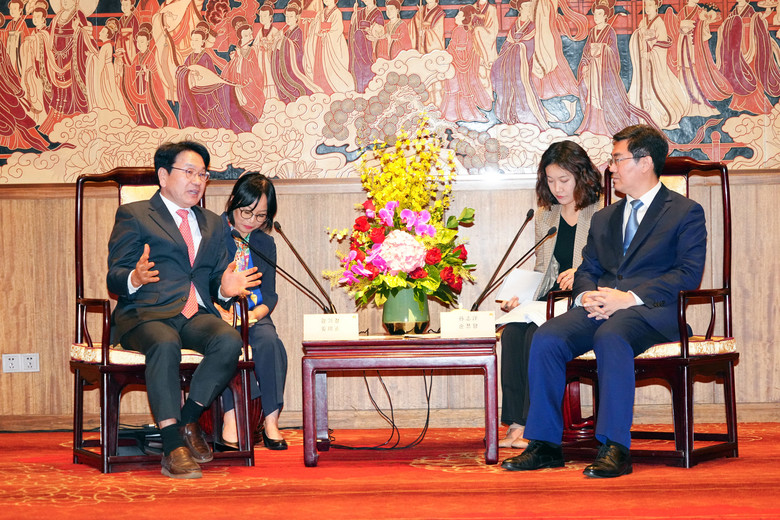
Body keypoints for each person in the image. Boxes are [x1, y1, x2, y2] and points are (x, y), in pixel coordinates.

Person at [501, 124, 707, 478]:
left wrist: (628, 298)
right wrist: (586, 295)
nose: (610, 168)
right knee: (547, 337)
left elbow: (687, 274)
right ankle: (545, 445)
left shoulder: (684, 211)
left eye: (617, 159)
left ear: (645, 162)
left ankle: (614, 447)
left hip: (652, 312)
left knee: (611, 336)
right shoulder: (605, 217)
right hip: (601, 308)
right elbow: (588, 269)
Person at [106, 141, 261, 479]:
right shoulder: (135, 215)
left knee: (228, 340)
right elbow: (114, 275)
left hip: (194, 314)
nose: (197, 181)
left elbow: (216, 279)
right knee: (165, 343)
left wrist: (225, 288)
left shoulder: (213, 223)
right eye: (189, 172)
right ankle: (173, 445)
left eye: (203, 175)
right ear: (163, 176)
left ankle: (188, 420)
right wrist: (134, 276)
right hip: (146, 314)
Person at [498, 140, 602, 449]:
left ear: (581, 175)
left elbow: (612, 264)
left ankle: (534, 425)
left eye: (564, 180)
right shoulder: (546, 216)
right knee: (513, 332)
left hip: (584, 300)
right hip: (551, 300)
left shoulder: (602, 211)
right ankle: (516, 422)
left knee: (536, 335)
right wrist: (521, 299)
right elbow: (543, 269)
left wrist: (581, 272)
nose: (557, 188)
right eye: (551, 180)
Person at [218, 173, 289, 451]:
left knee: (270, 342)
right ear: (234, 201)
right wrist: (220, 311)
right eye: (246, 211)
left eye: (261, 216)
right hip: (219, 313)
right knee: (228, 345)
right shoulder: (213, 233)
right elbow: (199, 283)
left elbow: (269, 294)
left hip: (253, 314)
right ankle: (233, 417)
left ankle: (271, 421)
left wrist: (253, 316)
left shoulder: (264, 243)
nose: (251, 221)